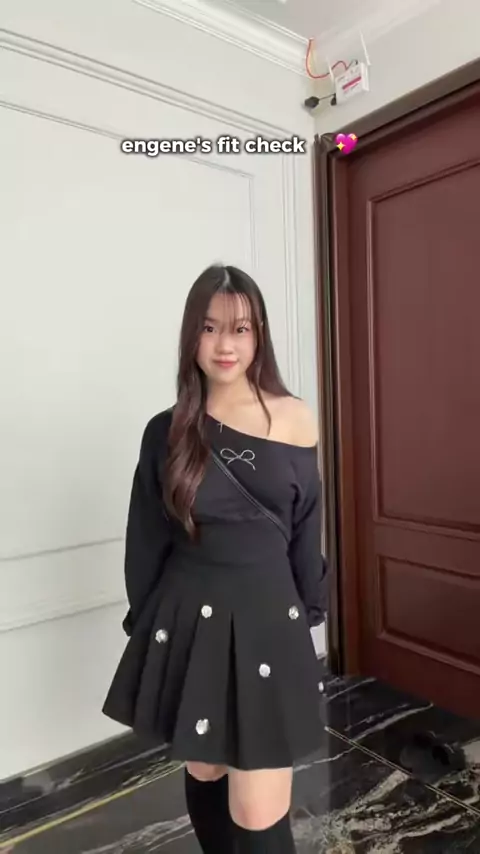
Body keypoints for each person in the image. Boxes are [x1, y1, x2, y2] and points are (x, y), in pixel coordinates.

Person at [102, 263, 329, 852]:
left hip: (268, 620)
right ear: (191, 336)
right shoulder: (166, 431)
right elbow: (145, 540)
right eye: (209, 328)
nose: (225, 345)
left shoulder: (295, 417)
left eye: (240, 328)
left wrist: (309, 610)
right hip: (190, 619)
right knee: (205, 769)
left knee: (258, 808)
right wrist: (151, 626)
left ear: (259, 336)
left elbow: (305, 531)